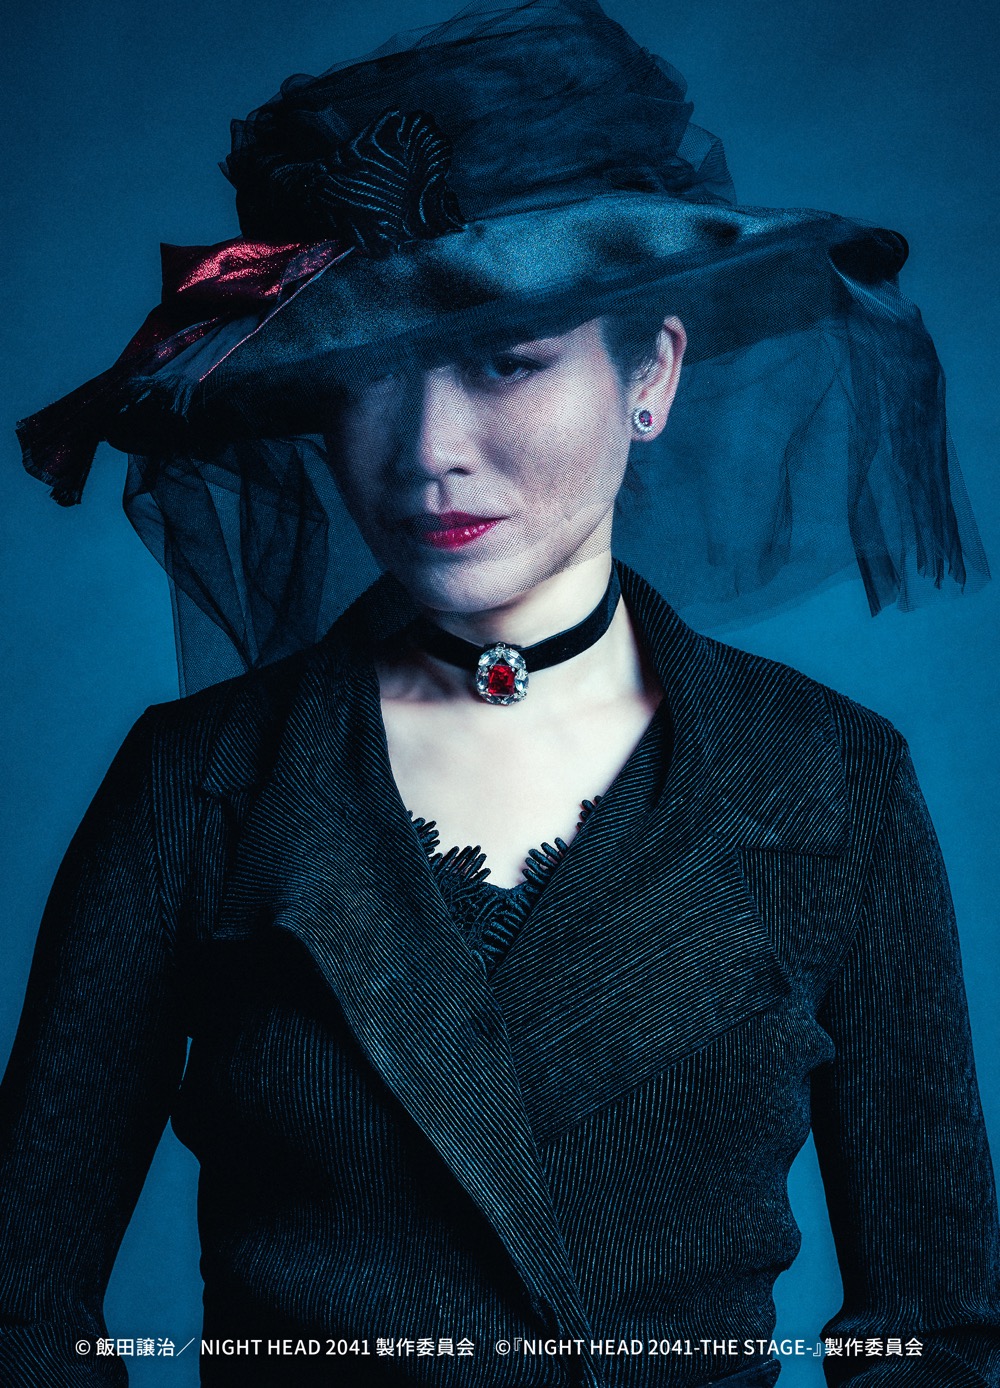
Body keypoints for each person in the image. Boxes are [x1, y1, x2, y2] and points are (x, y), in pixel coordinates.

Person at [1, 1, 998, 1385]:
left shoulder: (832, 778)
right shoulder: (196, 781)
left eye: (504, 359)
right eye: (367, 375)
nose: (429, 449)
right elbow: (21, 1305)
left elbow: (936, 1330)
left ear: (652, 371)